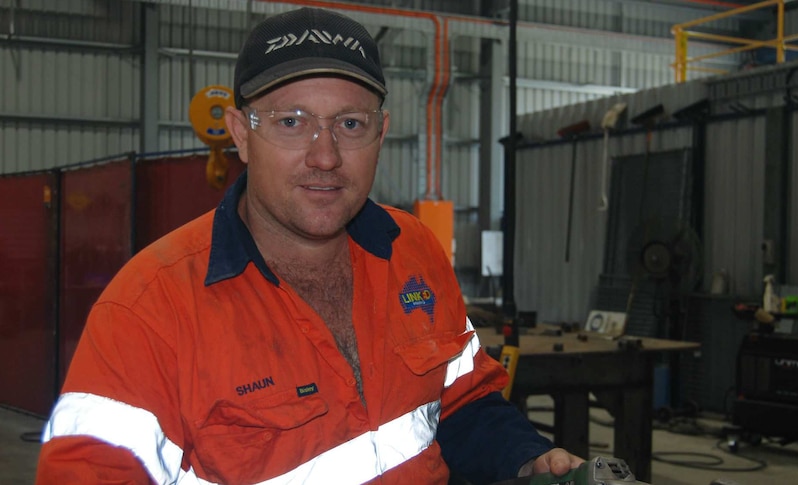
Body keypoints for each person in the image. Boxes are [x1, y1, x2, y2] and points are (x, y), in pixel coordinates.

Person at [35, 7, 584, 484]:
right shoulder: (149, 309)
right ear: (240, 132)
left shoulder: (411, 250)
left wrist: (527, 459)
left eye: (350, 122)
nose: (325, 156)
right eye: (292, 122)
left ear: (382, 131)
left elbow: (462, 403)